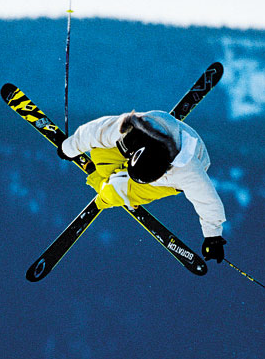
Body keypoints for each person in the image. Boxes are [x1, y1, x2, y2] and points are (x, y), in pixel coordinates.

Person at [57, 110, 227, 263]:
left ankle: (102, 183)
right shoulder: (129, 131)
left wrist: (213, 237)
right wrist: (68, 148)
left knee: (115, 193)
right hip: (151, 142)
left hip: (174, 175)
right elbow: (93, 132)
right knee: (99, 151)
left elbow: (207, 200)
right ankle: (112, 176)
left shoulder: (187, 171)